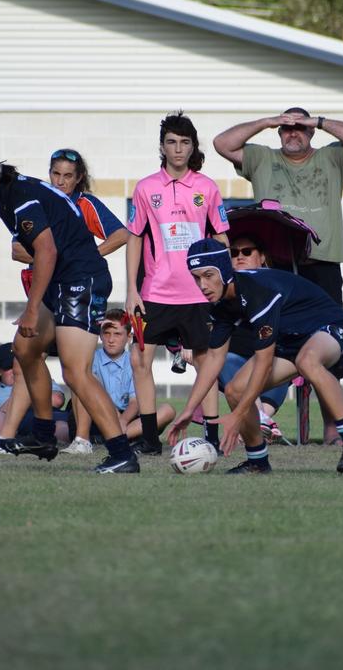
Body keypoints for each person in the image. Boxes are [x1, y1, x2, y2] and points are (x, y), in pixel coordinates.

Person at [0, 144, 138, 473]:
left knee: (75, 371)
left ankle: (122, 453)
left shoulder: (19, 196)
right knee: (24, 348)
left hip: (82, 279)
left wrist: (31, 307)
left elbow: (46, 251)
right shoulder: (11, 194)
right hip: (62, 282)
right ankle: (43, 436)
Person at [167, 239, 343, 474]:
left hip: (329, 327)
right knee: (234, 389)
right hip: (291, 340)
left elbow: (263, 363)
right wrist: (188, 410)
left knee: (308, 361)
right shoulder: (222, 304)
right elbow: (213, 359)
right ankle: (258, 462)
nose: (203, 285)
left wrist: (238, 415)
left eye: (208, 275)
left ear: (224, 270)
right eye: (196, 277)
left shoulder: (257, 292)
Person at [5, 147, 129, 442]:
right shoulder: (40, 201)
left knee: (75, 370)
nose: (60, 181)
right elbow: (16, 249)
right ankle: (6, 437)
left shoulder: (84, 204)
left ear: (79, 178)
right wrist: (50, 256)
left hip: (76, 290)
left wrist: (85, 257)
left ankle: (84, 440)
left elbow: (122, 234)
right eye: (55, 174)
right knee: (25, 355)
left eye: (67, 176)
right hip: (46, 294)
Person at [125, 112, 230, 456]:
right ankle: (150, 439)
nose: (178, 148)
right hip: (156, 291)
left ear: (193, 146)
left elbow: (221, 238)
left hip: (199, 294)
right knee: (140, 359)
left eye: (185, 142)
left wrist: (225, 286)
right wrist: (131, 290)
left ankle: (212, 437)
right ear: (162, 146)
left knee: (205, 362)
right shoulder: (145, 188)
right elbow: (135, 238)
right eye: (172, 142)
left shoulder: (207, 188)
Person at [212, 107, 343, 303]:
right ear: (279, 132)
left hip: (322, 263)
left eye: (301, 128)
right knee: (278, 326)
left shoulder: (331, 157)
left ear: (311, 131)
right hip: (275, 263)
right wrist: (267, 122)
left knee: (327, 326)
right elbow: (222, 143)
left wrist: (318, 122)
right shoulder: (261, 157)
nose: (293, 133)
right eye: (287, 128)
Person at [63, 309, 177, 454]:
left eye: (117, 334)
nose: (111, 340)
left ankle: (117, 436)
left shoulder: (133, 361)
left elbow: (135, 402)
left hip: (125, 419)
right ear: (100, 335)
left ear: (129, 337)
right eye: (106, 333)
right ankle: (92, 437)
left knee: (167, 410)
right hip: (94, 416)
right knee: (83, 378)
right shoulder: (91, 357)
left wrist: (122, 422)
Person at [220, 234, 289, 441]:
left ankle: (261, 418)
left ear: (262, 257)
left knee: (277, 359)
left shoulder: (278, 284)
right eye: (234, 253)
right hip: (236, 358)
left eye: (247, 252)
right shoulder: (224, 290)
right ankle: (262, 419)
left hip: (271, 352)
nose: (239, 257)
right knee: (225, 360)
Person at [0, 342, 69, 453]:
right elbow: (0, 412)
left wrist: (28, 384)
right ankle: (6, 443)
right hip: (10, 423)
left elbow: (56, 400)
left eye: (23, 366)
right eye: (9, 367)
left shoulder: (45, 381)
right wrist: (29, 390)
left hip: (46, 419)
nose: (16, 370)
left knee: (62, 427)